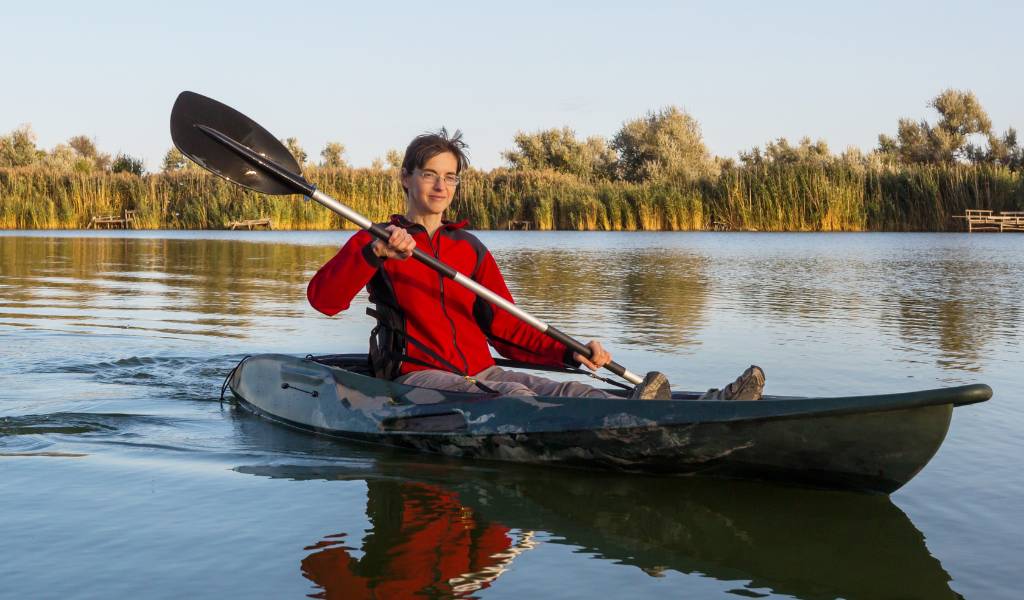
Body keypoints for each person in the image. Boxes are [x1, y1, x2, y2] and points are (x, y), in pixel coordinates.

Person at [307, 129, 764, 401]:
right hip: (416, 378)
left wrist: (571, 352)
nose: (440, 185)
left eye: (450, 177)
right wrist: (373, 254)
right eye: (429, 174)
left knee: (575, 392)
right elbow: (323, 300)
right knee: (517, 396)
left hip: (480, 371)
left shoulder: (469, 248)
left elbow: (508, 327)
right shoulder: (377, 241)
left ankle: (707, 407)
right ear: (406, 177)